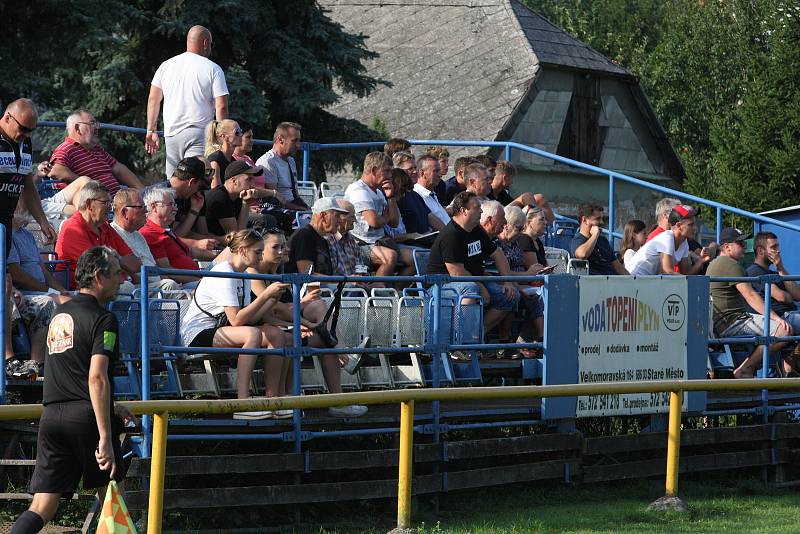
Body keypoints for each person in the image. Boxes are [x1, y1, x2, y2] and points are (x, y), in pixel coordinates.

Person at [10, 247, 136, 534]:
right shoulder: (105, 320)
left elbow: (70, 371)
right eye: (116, 273)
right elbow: (96, 378)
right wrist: (105, 436)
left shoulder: (59, 316)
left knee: (42, 506)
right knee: (113, 498)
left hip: (52, 417)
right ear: (98, 276)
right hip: (87, 419)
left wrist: (112, 405)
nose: (122, 278)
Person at [250, 228, 368, 417]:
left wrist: (302, 323)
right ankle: (345, 355)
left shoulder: (277, 271)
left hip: (279, 327)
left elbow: (277, 309)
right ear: (261, 250)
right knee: (314, 315)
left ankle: (336, 400)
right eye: (276, 247)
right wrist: (302, 319)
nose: (282, 251)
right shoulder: (253, 272)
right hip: (263, 331)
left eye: (283, 246)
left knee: (325, 336)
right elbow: (272, 311)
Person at [180, 229, 288, 417]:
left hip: (221, 328)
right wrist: (265, 296)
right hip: (197, 332)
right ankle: (242, 403)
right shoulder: (225, 271)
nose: (261, 256)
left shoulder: (243, 274)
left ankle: (273, 401)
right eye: (258, 252)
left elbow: (250, 318)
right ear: (243, 251)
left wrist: (270, 300)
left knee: (277, 334)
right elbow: (237, 320)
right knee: (252, 334)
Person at [427, 192, 519, 334]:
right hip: (442, 286)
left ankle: (475, 335)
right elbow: (456, 273)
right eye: (477, 207)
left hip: (471, 281)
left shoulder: (475, 230)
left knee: (509, 296)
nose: (481, 211)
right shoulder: (451, 235)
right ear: (464, 211)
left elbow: (498, 254)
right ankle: (458, 341)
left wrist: (507, 282)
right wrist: (481, 286)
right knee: (470, 289)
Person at [708, 228, 795, 378]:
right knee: (783, 330)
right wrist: (775, 317)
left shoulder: (716, 263)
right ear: (727, 247)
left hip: (724, 322)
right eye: (740, 243)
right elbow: (750, 295)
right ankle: (746, 369)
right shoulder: (730, 264)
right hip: (731, 322)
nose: (744, 247)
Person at [145, 25, 229, 177]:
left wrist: (151, 130)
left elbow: (153, 100)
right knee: (198, 180)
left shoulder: (166, 65)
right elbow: (221, 107)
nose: (210, 48)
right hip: (199, 132)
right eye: (210, 44)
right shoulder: (213, 69)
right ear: (205, 43)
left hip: (171, 134)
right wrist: (222, 136)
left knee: (175, 182)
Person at [55, 181, 140, 288]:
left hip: (112, 284)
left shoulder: (104, 226)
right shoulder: (72, 228)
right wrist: (120, 262)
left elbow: (135, 263)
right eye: (105, 203)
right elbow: (98, 267)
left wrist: (113, 259)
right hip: (81, 291)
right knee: (129, 288)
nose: (110, 208)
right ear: (89, 204)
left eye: (111, 203)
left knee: (162, 286)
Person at [0, 99, 57, 251]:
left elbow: (28, 186)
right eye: (24, 128)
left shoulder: (25, 143)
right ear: (7, 118)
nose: (27, 135)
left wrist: (43, 222)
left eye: (31, 130)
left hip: (6, 220)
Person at [48, 109, 144, 197]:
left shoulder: (96, 149)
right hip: (97, 204)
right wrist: (90, 185)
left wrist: (143, 191)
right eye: (92, 123)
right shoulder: (66, 148)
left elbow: (119, 170)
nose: (97, 127)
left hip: (116, 200)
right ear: (77, 128)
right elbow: (56, 171)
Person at [746, 232, 800, 371]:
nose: (778, 250)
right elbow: (783, 297)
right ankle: (788, 364)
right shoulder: (753, 272)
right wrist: (788, 295)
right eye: (774, 247)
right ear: (760, 250)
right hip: (780, 318)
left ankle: (789, 363)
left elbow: (797, 294)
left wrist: (780, 268)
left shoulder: (777, 272)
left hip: (792, 315)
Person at [110, 188, 182, 293]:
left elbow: (154, 267)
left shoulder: (138, 235)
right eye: (141, 207)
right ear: (125, 212)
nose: (146, 210)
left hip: (155, 287)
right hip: (136, 291)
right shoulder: (112, 234)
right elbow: (126, 275)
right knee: (170, 286)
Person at [344, 152, 400, 277]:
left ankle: (398, 290)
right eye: (386, 171)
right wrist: (385, 217)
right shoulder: (358, 191)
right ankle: (377, 290)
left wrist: (391, 197)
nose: (390, 176)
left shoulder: (379, 192)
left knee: (415, 258)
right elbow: (373, 222)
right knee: (390, 256)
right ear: (374, 170)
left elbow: (394, 222)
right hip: (361, 244)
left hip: (380, 242)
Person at [496, 205, 544, 354]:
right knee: (519, 296)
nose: (520, 232)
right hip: (506, 282)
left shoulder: (515, 242)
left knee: (538, 296)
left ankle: (540, 340)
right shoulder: (497, 244)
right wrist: (526, 276)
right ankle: (507, 341)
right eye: (518, 228)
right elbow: (503, 272)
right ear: (507, 225)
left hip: (521, 282)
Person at [627, 205, 710, 276]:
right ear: (678, 226)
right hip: (633, 281)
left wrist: (701, 261)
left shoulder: (684, 242)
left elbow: (686, 273)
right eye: (691, 225)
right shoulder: (667, 238)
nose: (695, 228)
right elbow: (667, 272)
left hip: (645, 282)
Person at [156, 156, 217, 250]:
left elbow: (176, 234)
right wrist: (196, 244)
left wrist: (195, 209)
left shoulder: (176, 195)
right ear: (191, 182)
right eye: (198, 187)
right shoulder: (162, 199)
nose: (196, 192)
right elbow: (164, 239)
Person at [203, 161, 269, 237]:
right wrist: (246, 203)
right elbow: (237, 237)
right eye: (249, 179)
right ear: (234, 181)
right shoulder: (220, 198)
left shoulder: (236, 196)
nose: (253, 185)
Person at [255, 122, 310, 211]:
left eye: (299, 141)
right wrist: (303, 210)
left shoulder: (290, 160)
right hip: (283, 210)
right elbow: (275, 201)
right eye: (294, 141)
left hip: (294, 205)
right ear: (281, 139)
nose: (298, 145)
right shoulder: (268, 162)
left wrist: (307, 208)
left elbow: (295, 193)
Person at [287, 197, 347, 276]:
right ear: (323, 215)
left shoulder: (323, 240)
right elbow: (307, 274)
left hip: (325, 287)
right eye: (337, 216)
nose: (340, 220)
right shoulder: (304, 235)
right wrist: (344, 282)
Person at [570, 202, 628, 276]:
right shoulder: (578, 240)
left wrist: (635, 281)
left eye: (602, 219)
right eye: (597, 219)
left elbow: (618, 268)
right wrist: (595, 235)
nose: (601, 222)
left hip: (612, 281)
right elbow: (582, 254)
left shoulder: (603, 241)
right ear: (584, 220)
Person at [407, 154, 449, 231]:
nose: (440, 175)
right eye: (436, 171)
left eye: (439, 170)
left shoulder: (431, 193)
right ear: (422, 173)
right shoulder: (417, 195)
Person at [204, 119, 242, 188]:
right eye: (237, 132)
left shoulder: (232, 160)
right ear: (224, 137)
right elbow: (215, 190)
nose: (241, 135)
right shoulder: (214, 161)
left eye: (241, 131)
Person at [517, 204, 549, 271]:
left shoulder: (537, 241)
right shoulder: (524, 240)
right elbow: (536, 272)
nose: (545, 222)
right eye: (541, 219)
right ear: (529, 222)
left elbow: (545, 266)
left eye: (545, 219)